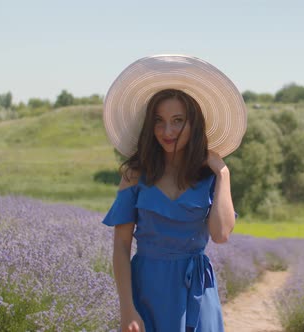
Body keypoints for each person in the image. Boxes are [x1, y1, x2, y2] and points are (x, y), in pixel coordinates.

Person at [101, 55, 247, 332]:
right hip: (147, 290)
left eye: (177, 120)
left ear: (194, 124)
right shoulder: (134, 175)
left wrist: (223, 174)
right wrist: (127, 309)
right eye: (159, 121)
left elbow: (221, 234)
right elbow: (121, 246)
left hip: (196, 293)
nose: (167, 131)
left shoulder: (210, 179)